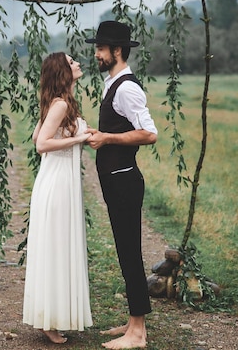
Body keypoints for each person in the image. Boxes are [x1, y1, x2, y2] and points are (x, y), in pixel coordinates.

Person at [85, 21, 158, 349]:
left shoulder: (127, 88)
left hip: (126, 181)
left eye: (101, 48)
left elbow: (149, 133)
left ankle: (138, 333)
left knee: (130, 252)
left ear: (117, 51)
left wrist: (108, 138)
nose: (96, 53)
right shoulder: (112, 82)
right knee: (124, 251)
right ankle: (131, 322)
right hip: (116, 182)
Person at [22, 52, 93, 344]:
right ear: (64, 71)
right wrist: (80, 138)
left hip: (56, 181)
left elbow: (38, 133)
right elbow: (41, 144)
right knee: (56, 247)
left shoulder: (58, 102)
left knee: (56, 247)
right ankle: (49, 320)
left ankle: (50, 316)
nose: (78, 63)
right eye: (72, 61)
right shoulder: (61, 104)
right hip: (57, 182)